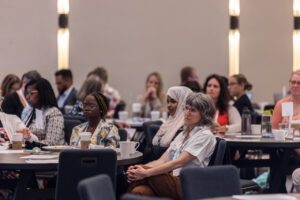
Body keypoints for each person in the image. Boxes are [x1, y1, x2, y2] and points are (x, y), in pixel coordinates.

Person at [127, 93, 216, 200]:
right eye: (186, 108)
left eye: (192, 110)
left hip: (189, 184)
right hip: (172, 179)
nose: (187, 113)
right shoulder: (183, 134)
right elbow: (161, 161)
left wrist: (145, 172)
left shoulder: (205, 135)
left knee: (139, 174)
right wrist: (141, 168)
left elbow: (179, 162)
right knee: (138, 192)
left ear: (204, 114)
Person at [143, 86, 192, 162]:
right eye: (168, 101)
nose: (169, 105)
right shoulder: (169, 122)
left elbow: (170, 152)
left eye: (173, 101)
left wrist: (150, 150)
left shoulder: (184, 126)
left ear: (183, 103)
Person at [22, 78, 65, 146]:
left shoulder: (54, 113)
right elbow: (36, 134)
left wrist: (30, 141)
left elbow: (51, 143)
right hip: (36, 152)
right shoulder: (38, 112)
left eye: (31, 93)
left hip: (54, 154)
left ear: (42, 93)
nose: (27, 97)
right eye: (27, 93)